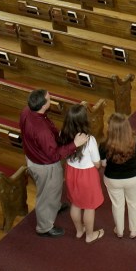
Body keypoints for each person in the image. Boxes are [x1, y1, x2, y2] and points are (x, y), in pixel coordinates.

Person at [20, 89, 88, 238]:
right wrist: (75, 144)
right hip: (46, 166)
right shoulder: (42, 131)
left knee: (53, 190)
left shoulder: (27, 111)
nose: (51, 100)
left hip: (33, 156)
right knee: (46, 194)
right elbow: (54, 155)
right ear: (43, 105)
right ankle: (44, 227)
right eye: (49, 99)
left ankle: (55, 206)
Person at [57, 104, 105, 244]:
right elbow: (97, 163)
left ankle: (79, 231)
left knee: (76, 203)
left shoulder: (62, 134)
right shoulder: (89, 140)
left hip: (71, 172)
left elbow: (64, 152)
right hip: (87, 175)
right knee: (89, 207)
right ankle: (90, 235)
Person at [100, 113, 136, 239]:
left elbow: (103, 163)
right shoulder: (135, 139)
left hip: (112, 179)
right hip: (134, 177)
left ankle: (119, 230)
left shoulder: (104, 143)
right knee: (134, 203)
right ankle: (134, 230)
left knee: (117, 204)